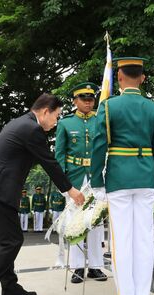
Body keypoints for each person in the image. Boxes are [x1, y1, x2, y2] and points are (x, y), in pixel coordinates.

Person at [0, 93, 84, 295]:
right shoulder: (32, 129)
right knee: (12, 241)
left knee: (1, 242)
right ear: (45, 111)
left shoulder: (19, 123)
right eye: (56, 116)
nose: (56, 122)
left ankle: (9, 287)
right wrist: (70, 190)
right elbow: (49, 162)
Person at [91, 57, 154, 295]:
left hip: (119, 179)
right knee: (144, 240)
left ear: (120, 78)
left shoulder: (109, 106)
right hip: (146, 178)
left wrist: (96, 181)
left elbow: (99, 145)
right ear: (143, 78)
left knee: (121, 240)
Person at [55, 82, 107, 281]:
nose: (88, 102)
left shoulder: (100, 121)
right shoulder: (65, 123)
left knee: (95, 222)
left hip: (96, 176)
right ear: (75, 101)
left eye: (91, 99)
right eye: (84, 99)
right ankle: (77, 267)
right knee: (75, 222)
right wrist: (63, 184)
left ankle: (95, 265)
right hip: (75, 178)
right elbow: (59, 155)